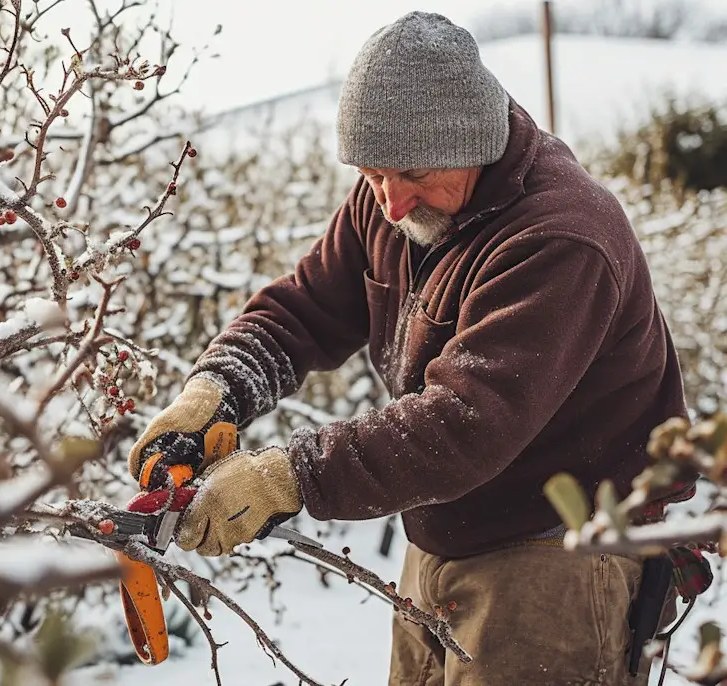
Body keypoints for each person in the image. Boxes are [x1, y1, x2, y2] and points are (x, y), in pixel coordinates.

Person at [126, 11, 701, 686]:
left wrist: (289, 476)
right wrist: (215, 389)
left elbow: (464, 423)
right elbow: (308, 305)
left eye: (411, 175)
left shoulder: (561, 240)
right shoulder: (400, 196)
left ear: (475, 144)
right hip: (444, 536)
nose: (391, 204)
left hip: (561, 560)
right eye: (372, 175)